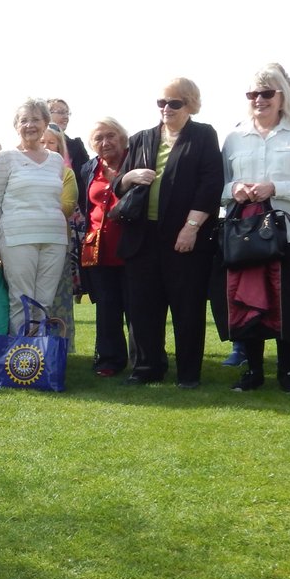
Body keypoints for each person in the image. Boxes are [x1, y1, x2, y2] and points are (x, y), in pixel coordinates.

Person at [114, 77, 223, 388]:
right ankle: (146, 368)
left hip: (184, 237)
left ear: (190, 104)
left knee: (187, 307)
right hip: (142, 237)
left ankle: (188, 374)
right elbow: (118, 185)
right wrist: (130, 176)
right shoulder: (141, 139)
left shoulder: (203, 135)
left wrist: (191, 228)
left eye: (174, 103)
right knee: (143, 307)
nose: (166, 108)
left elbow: (210, 184)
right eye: (161, 102)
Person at [218, 65, 290, 393]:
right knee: (248, 298)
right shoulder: (235, 136)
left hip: (289, 231)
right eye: (253, 94)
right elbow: (220, 186)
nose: (259, 99)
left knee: (286, 301)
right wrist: (236, 188)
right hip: (245, 232)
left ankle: (287, 371)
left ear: (282, 94)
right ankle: (253, 371)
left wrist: (276, 187)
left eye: (267, 93)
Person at [0, 99, 72, 333]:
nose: (30, 125)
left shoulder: (56, 161)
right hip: (17, 238)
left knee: (44, 302)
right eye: (24, 120)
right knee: (21, 300)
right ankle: (18, 362)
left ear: (46, 123)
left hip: (53, 238)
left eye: (36, 119)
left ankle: (40, 361)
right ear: (16, 125)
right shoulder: (5, 158)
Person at [79, 117, 133, 376]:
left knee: (137, 307)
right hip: (98, 250)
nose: (105, 142)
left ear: (122, 138)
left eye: (111, 135)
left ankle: (142, 360)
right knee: (107, 308)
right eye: (99, 138)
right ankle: (109, 360)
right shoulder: (88, 168)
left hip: (132, 248)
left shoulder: (135, 162)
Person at [41, 124, 80, 351]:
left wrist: (32, 205)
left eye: (52, 142)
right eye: (42, 142)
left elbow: (66, 206)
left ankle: (58, 348)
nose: (46, 146)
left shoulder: (66, 173)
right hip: (26, 242)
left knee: (57, 299)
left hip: (57, 243)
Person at [48, 97, 91, 184]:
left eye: (67, 113)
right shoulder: (35, 145)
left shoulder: (76, 145)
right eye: (61, 112)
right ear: (47, 115)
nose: (66, 117)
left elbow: (88, 175)